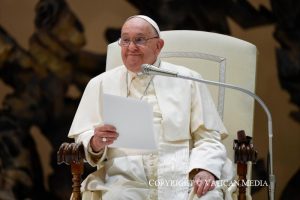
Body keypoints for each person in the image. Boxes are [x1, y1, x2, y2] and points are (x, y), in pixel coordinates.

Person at [68, 15, 233, 200]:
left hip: (183, 174)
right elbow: (82, 137)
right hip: (125, 177)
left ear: (158, 46)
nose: (131, 47)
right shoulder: (99, 84)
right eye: (125, 40)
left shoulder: (188, 80)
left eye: (139, 40)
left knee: (208, 197)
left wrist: (204, 169)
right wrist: (95, 142)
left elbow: (208, 137)